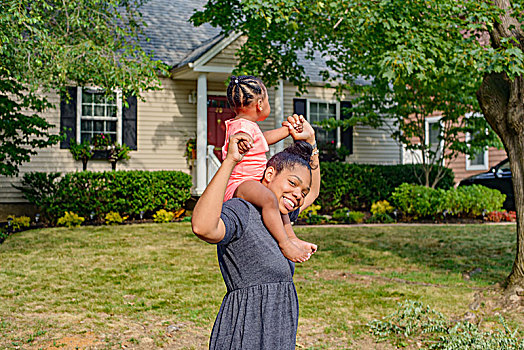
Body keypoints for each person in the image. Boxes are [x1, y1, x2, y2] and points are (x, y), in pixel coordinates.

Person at [192, 121, 320, 349]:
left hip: (278, 333)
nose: (298, 195)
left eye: (302, 192)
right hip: (246, 333)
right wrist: (230, 160)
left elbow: (314, 191)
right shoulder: (242, 210)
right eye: (292, 183)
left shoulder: (281, 218)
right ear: (269, 174)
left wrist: (310, 143)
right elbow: (203, 227)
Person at [222, 75, 316, 263]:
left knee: (279, 204)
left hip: (252, 183)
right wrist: (243, 140)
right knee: (269, 198)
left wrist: (289, 130)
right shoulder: (242, 126)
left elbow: (262, 139)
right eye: (267, 99)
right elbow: (242, 135)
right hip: (241, 184)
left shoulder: (250, 126)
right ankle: (285, 243)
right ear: (259, 103)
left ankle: (291, 238)